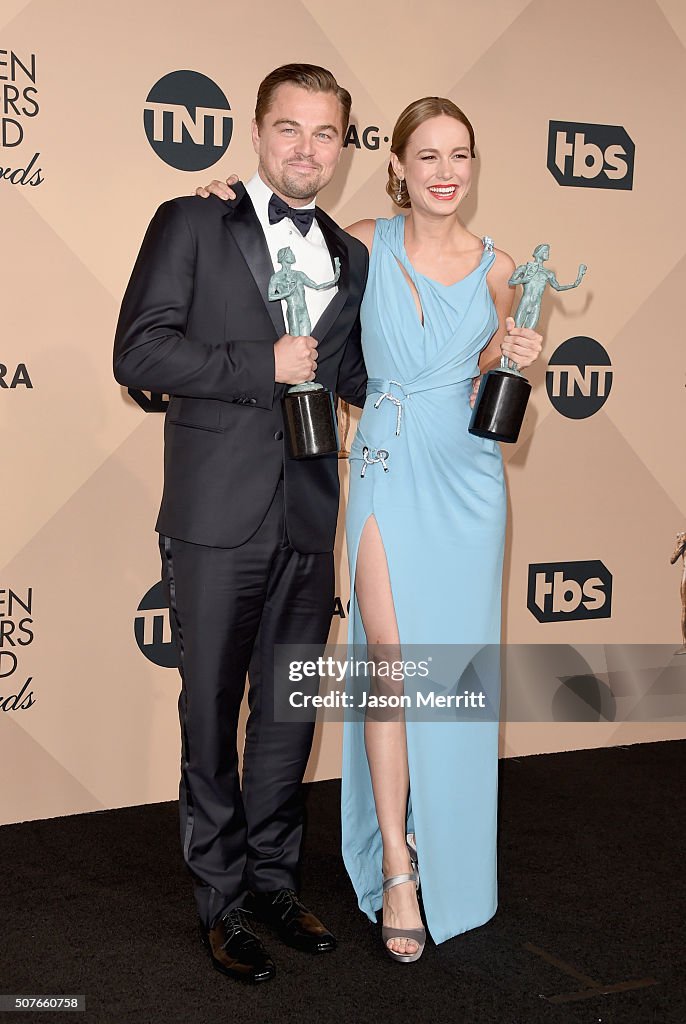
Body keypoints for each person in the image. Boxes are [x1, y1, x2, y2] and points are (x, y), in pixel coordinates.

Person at [198, 98, 543, 962]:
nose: (443, 171)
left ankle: (448, 852)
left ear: (472, 165)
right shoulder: (361, 241)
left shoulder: (502, 265)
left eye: (459, 154)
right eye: (425, 154)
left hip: (467, 483)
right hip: (386, 463)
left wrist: (518, 362)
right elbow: (281, 261)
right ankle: (395, 862)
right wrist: (222, 204)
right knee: (390, 667)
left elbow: (497, 393)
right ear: (397, 166)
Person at [113, 64, 369, 984]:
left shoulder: (353, 256)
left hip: (308, 520)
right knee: (212, 717)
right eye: (290, 129)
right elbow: (138, 349)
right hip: (216, 519)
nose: (307, 149)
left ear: (345, 147)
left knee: (288, 722)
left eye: (326, 134)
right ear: (259, 133)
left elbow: (357, 383)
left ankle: (271, 883)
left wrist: (481, 355)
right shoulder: (192, 220)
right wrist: (257, 359)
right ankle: (220, 903)